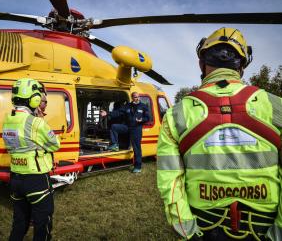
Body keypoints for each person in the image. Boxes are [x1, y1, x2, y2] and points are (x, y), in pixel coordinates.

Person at [157, 27, 282, 240]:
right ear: (242, 65)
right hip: (265, 225)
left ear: (201, 64)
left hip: (203, 224)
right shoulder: (275, 106)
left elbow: (170, 180)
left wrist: (187, 229)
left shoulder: (176, 114)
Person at [2, 78, 60, 241]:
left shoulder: (8, 120)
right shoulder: (36, 123)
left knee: (19, 222)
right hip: (36, 179)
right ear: (34, 99)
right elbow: (54, 144)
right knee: (43, 223)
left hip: (15, 177)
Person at [100, 92, 150, 173]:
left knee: (136, 148)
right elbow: (118, 112)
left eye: (137, 97)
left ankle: (138, 167)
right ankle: (115, 145)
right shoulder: (128, 106)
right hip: (127, 127)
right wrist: (107, 113)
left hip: (136, 129)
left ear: (139, 97)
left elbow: (148, 118)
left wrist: (142, 120)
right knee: (114, 127)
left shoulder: (143, 106)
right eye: (134, 97)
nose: (136, 98)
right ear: (132, 97)